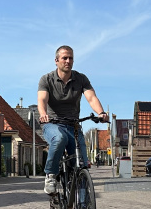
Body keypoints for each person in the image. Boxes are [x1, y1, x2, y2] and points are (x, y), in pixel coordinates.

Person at [38, 45, 108, 194]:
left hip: (73, 126)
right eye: (64, 58)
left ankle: (83, 207)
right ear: (56, 60)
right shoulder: (46, 79)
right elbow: (42, 100)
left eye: (70, 58)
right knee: (59, 138)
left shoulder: (80, 79)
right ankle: (50, 174)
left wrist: (101, 112)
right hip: (52, 124)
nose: (68, 61)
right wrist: (43, 113)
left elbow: (91, 97)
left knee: (81, 165)